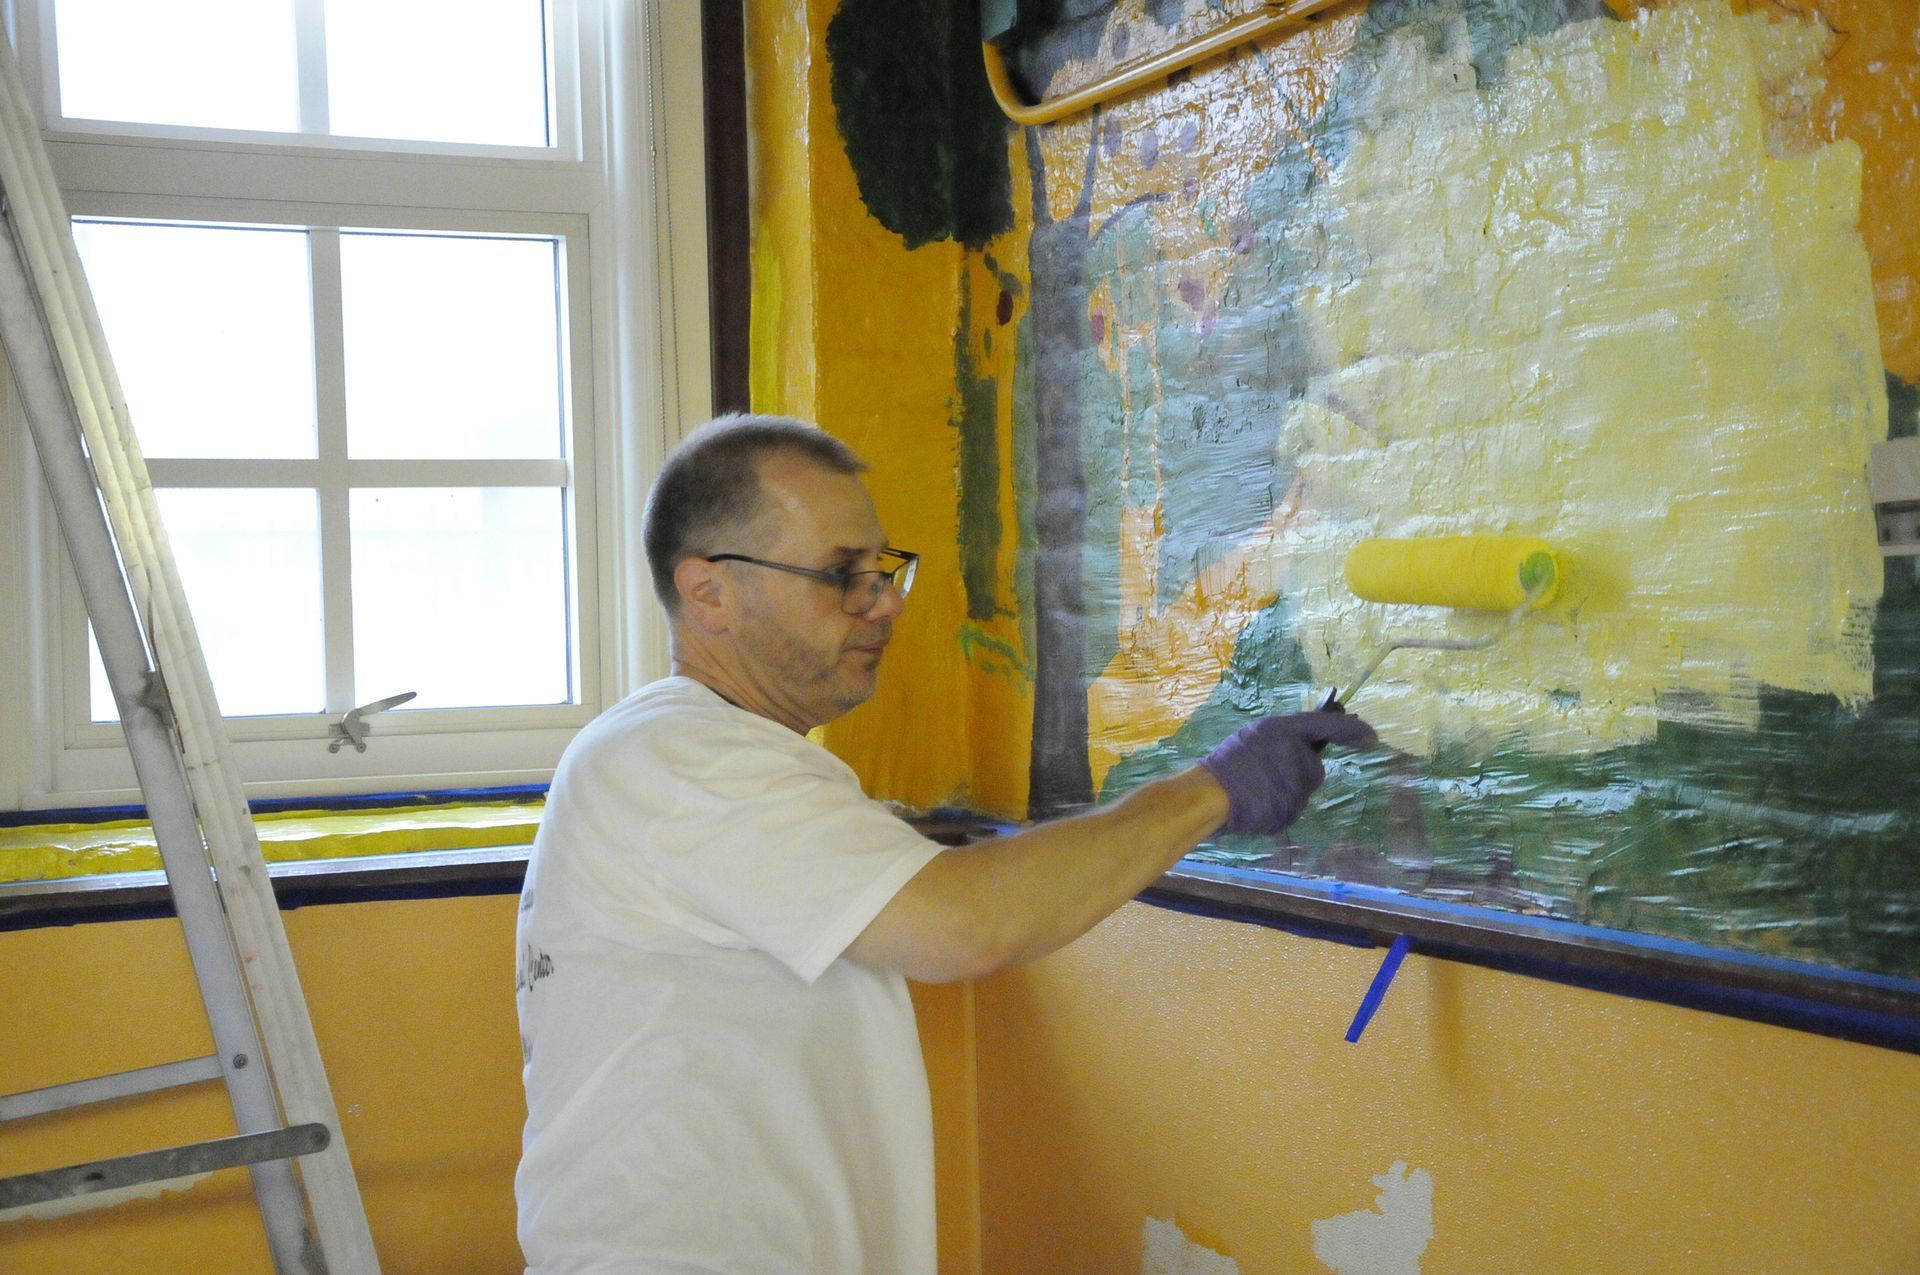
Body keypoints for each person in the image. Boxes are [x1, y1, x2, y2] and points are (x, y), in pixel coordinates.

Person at [514, 413, 1374, 1273]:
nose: (883, 602)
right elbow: (962, 922)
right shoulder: (680, 758)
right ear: (708, 591)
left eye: (882, 569)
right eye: (840, 574)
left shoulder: (713, 760)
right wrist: (1209, 790)